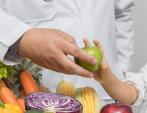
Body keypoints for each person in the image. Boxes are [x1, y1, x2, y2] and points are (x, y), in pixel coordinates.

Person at [0, 0, 134, 104]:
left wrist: (120, 78)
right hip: (30, 90)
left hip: (107, 97)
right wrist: (20, 38)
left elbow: (122, 12)